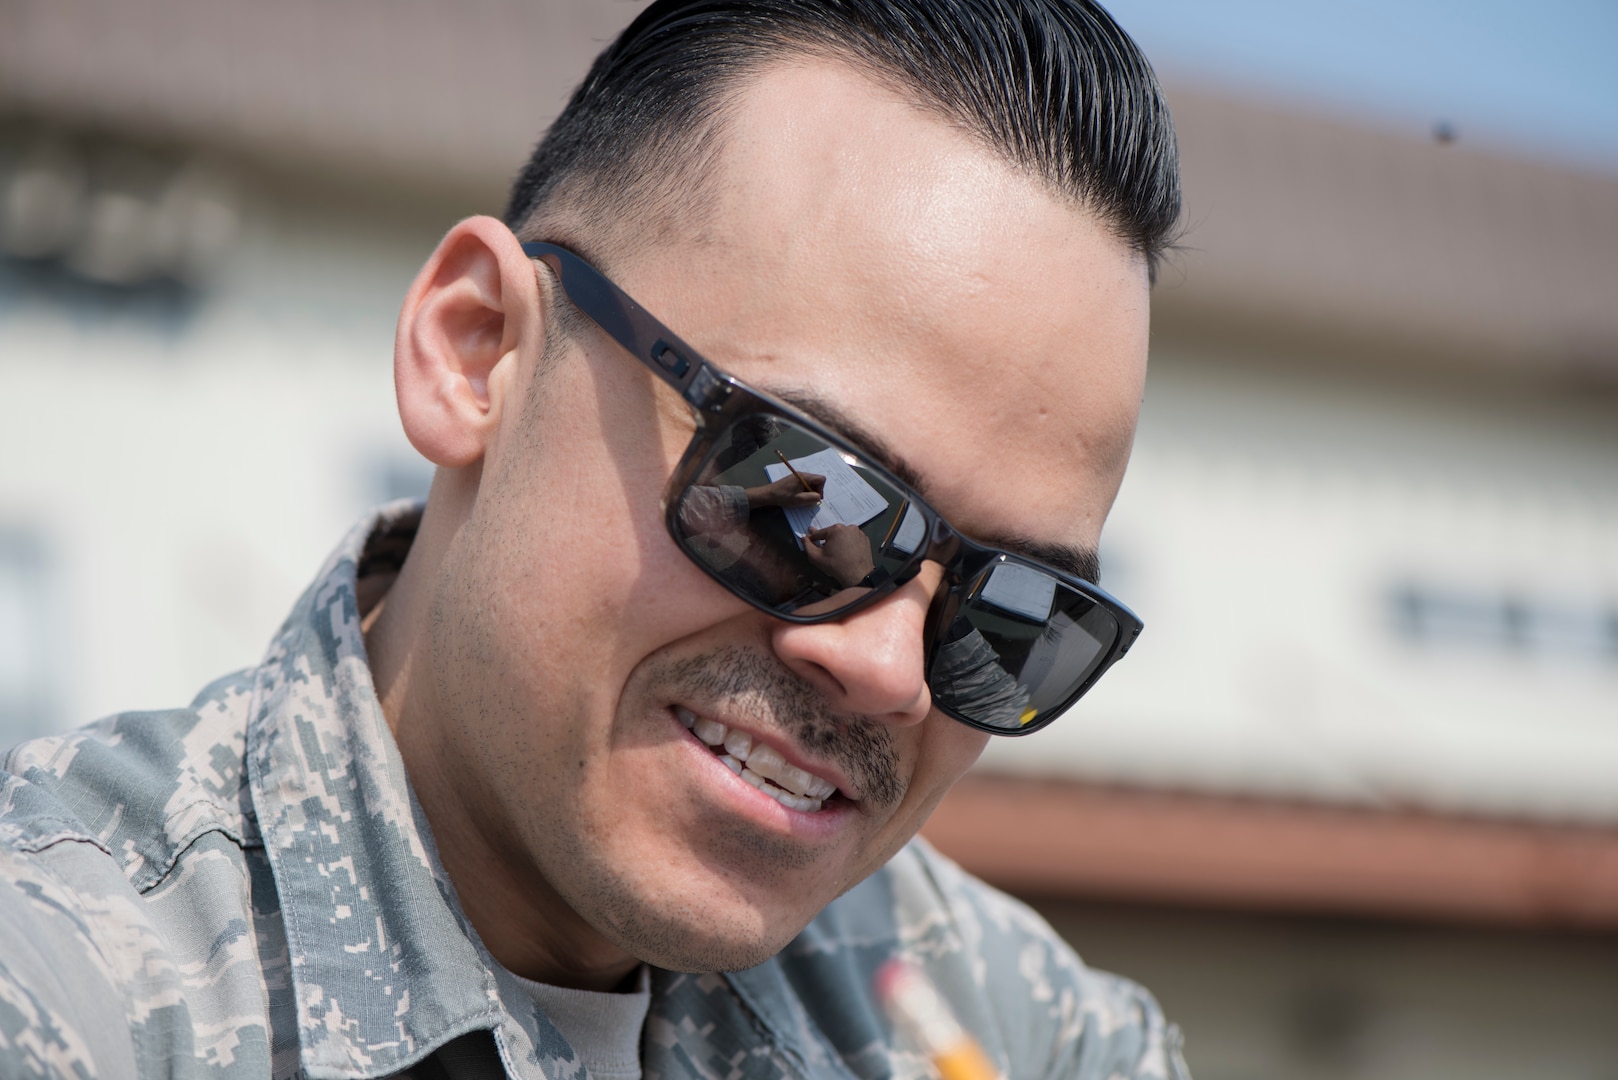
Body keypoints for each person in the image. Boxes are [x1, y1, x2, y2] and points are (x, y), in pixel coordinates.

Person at [0, 1, 1187, 1077]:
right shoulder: (74, 989)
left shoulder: (1000, 1024)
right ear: (477, 356)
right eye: (802, 498)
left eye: (1013, 614)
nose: (884, 670)